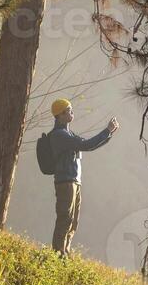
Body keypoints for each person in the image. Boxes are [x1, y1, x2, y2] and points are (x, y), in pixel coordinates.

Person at [46, 98, 118, 256]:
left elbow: (88, 146)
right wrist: (107, 131)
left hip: (74, 182)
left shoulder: (68, 134)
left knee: (73, 221)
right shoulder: (59, 135)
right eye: (69, 109)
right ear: (60, 114)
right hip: (66, 182)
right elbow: (86, 145)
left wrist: (108, 134)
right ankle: (58, 254)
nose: (72, 112)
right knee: (65, 218)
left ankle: (65, 252)